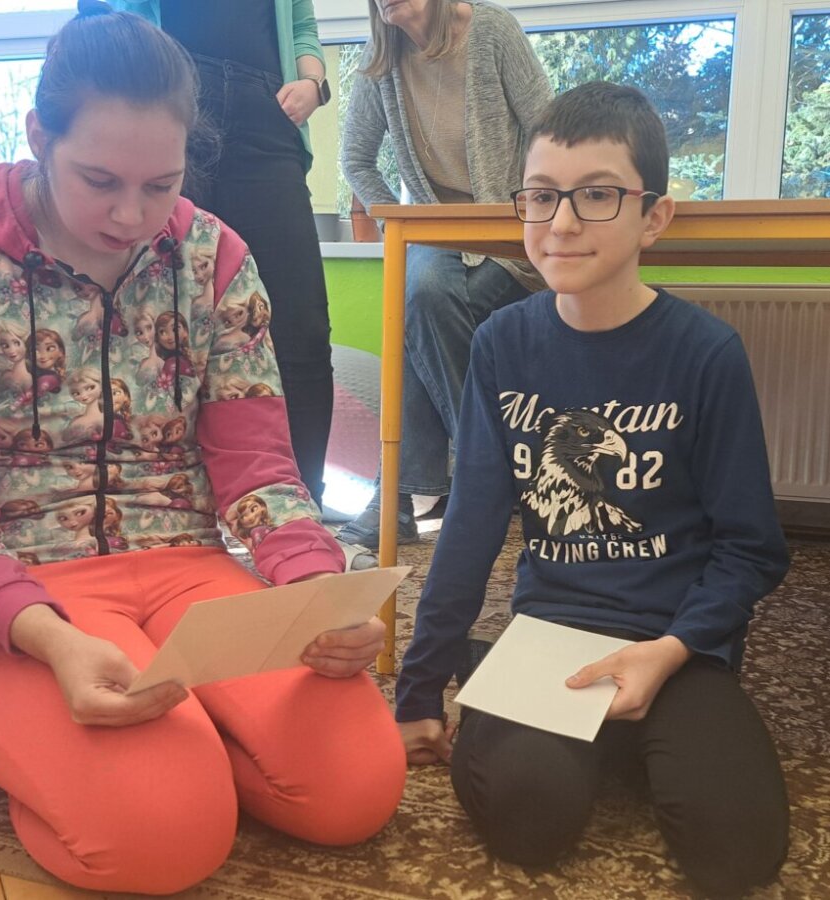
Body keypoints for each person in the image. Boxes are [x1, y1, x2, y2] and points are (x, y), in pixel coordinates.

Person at [0, 4, 405, 894]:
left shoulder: (213, 256)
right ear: (38, 137)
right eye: (99, 180)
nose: (132, 215)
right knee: (163, 838)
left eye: (161, 184)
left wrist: (315, 590)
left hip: (188, 572)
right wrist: (50, 642)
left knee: (356, 790)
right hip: (19, 598)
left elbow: (260, 472)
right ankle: (107, 752)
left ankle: (181, 745)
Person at [393, 81, 790, 897]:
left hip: (675, 643)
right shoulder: (502, 344)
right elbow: (469, 526)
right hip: (551, 639)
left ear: (654, 216)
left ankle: (629, 736)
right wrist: (418, 685)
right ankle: (508, 692)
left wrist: (672, 652)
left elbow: (750, 548)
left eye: (597, 195)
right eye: (541, 196)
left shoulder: (705, 353)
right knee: (527, 821)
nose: (562, 222)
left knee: (738, 853)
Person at [338, 0, 553, 548]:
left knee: (419, 301)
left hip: (510, 235)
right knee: (423, 291)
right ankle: (494, 472)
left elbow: (549, 133)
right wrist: (398, 221)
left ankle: (399, 497)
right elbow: (355, 160)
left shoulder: (491, 30)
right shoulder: (380, 60)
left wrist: (536, 213)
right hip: (436, 234)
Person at [116, 0, 334, 510]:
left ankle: (302, 508)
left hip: (268, 118)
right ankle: (166, 504)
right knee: (160, 319)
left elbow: (301, 24)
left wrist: (313, 84)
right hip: (176, 103)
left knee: (301, 329)